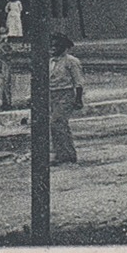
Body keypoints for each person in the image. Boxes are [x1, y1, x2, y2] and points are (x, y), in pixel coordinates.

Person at [47, 33, 85, 164]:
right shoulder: (50, 61)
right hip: (52, 95)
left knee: (57, 122)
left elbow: (78, 81)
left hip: (65, 94)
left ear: (64, 47)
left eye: (57, 46)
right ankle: (63, 154)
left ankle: (66, 155)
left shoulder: (71, 61)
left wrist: (78, 99)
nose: (53, 48)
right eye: (51, 45)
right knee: (58, 126)